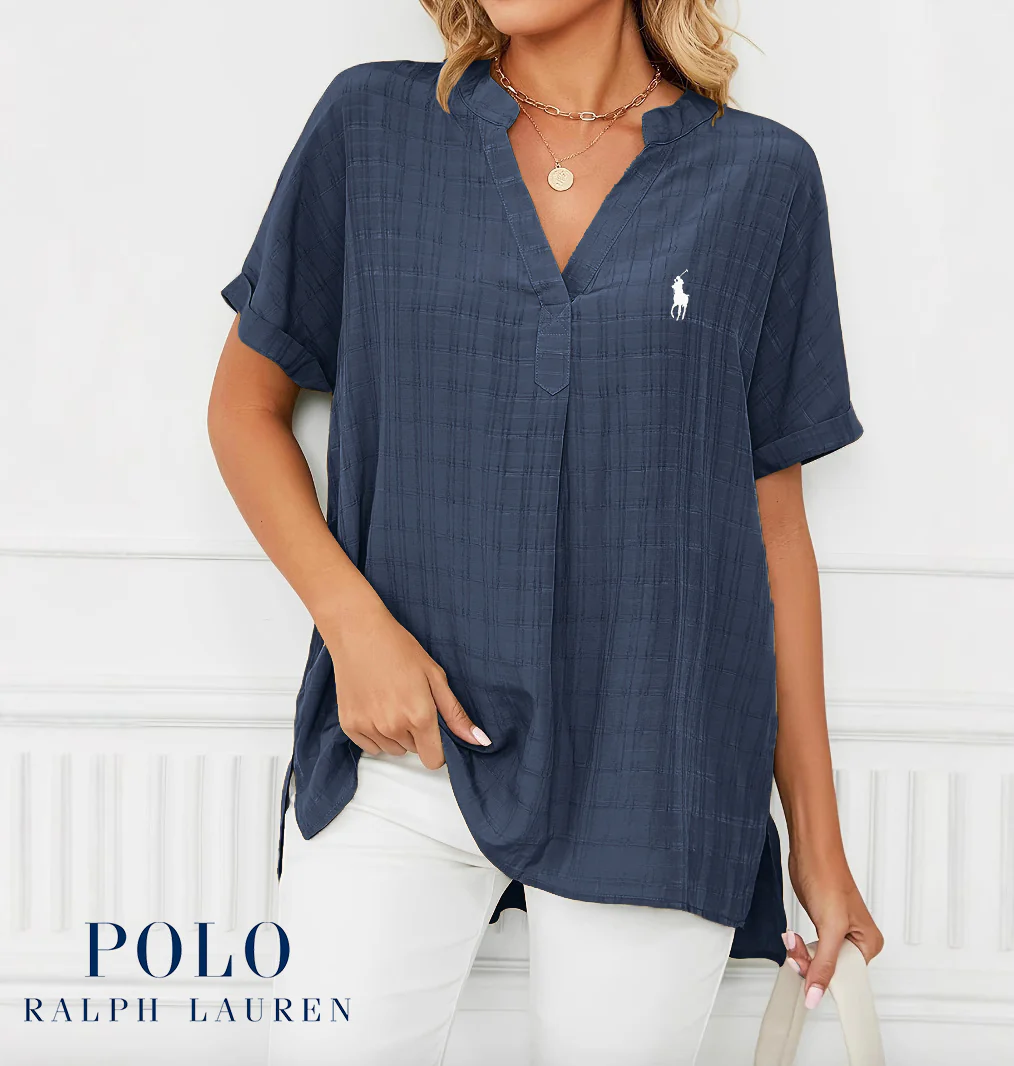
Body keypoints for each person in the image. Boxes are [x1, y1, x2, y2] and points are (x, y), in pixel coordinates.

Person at [208, 1, 884, 1062]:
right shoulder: (372, 127)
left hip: (652, 771)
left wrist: (819, 843)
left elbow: (773, 530)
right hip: (406, 744)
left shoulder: (760, 178)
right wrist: (352, 625)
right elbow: (243, 410)